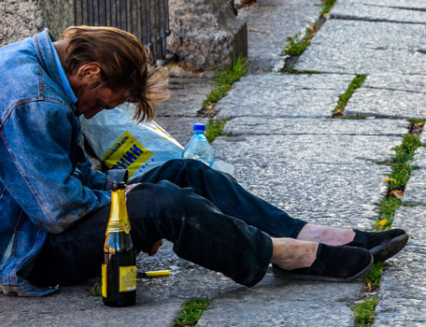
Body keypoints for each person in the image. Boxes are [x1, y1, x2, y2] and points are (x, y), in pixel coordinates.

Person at [0, 26, 408, 297]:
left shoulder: (36, 65)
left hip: (37, 221)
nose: (91, 114)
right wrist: (137, 206)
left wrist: (126, 195)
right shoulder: (33, 102)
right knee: (165, 204)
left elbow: (71, 177)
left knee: (187, 171)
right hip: (28, 253)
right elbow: (59, 210)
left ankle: (305, 232)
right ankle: (284, 253)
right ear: (89, 71)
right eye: (101, 103)